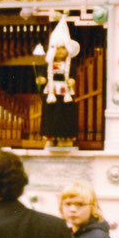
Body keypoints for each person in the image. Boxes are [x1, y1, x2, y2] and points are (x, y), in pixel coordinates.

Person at [37, 20, 79, 148]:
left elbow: (73, 77)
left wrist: (71, 81)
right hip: (52, 94)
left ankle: (65, 138)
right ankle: (51, 137)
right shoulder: (48, 65)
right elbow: (43, 77)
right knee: (51, 115)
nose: (60, 51)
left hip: (65, 94)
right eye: (58, 48)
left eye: (63, 48)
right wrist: (41, 80)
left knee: (65, 114)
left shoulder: (70, 65)